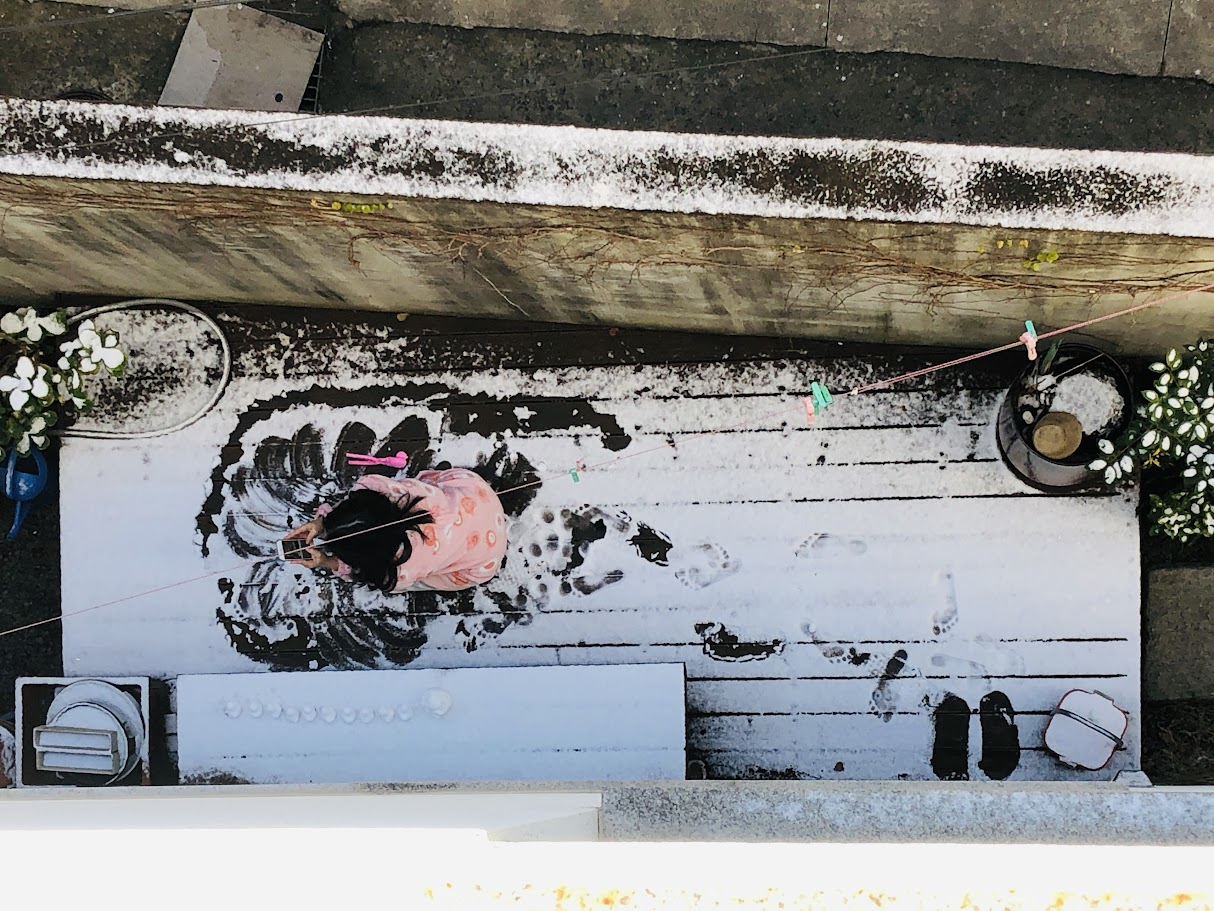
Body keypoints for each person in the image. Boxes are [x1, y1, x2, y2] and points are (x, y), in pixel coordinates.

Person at [284, 468, 507, 593]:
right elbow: (363, 491)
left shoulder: (405, 567)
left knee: (427, 576)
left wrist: (328, 561)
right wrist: (324, 524)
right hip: (479, 496)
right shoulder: (393, 490)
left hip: (485, 560)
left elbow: (383, 579)